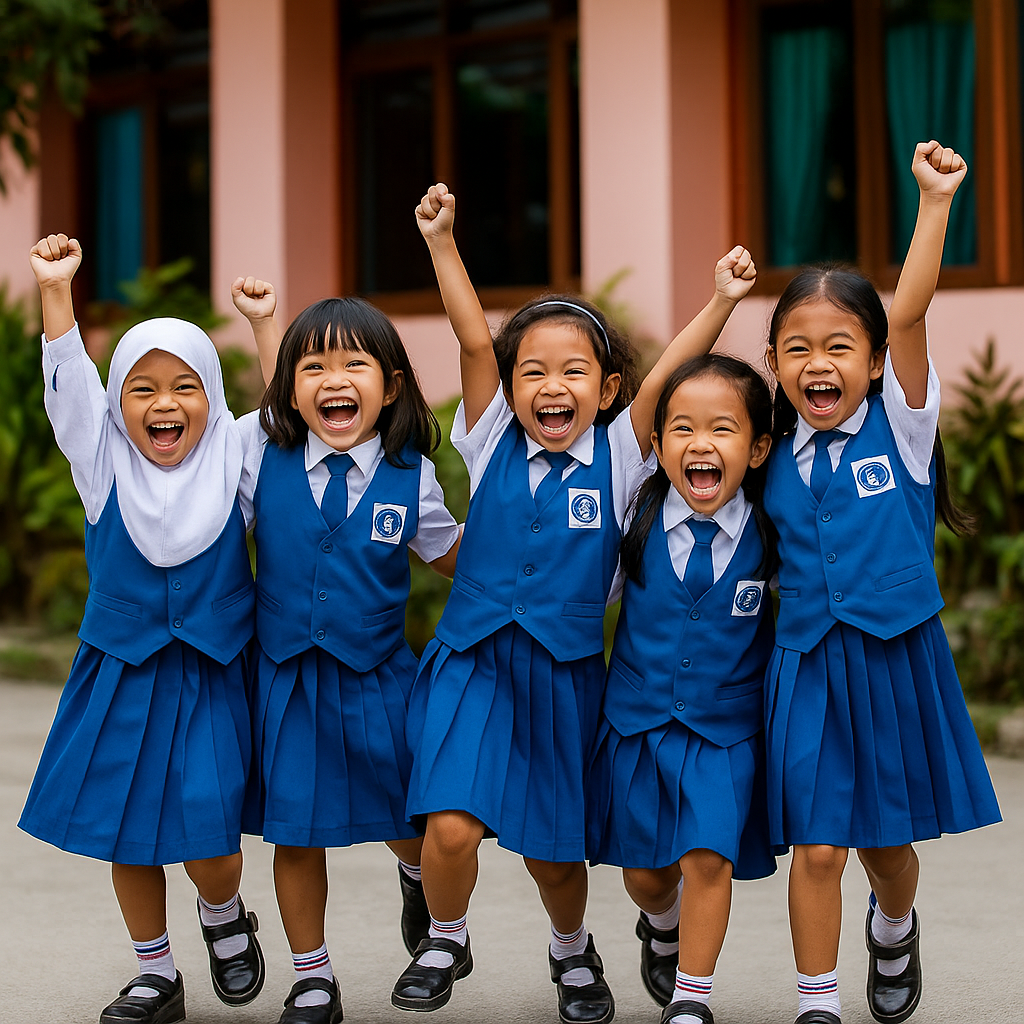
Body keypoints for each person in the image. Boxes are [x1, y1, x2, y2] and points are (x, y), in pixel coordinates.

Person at [391, 181, 756, 1024]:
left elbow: (669, 376)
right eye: (534, 372)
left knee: (556, 855)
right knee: (449, 825)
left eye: (573, 372)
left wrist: (723, 301)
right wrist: (442, 243)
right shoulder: (489, 441)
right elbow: (472, 340)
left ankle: (572, 950)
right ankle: (446, 936)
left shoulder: (622, 456)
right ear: (513, 388)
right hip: (471, 659)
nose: (551, 387)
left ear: (606, 388)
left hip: (562, 672)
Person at [762, 141, 1001, 1024]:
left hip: (896, 655)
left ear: (870, 362)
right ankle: (817, 1001)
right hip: (808, 663)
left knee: (886, 848)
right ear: (777, 364)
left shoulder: (901, 427)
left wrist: (934, 204)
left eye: (838, 346)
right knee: (816, 848)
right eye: (796, 348)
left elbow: (910, 316)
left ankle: (894, 926)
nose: (817, 363)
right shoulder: (764, 453)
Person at [19, 235, 264, 1024]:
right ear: (118, 402)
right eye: (143, 388)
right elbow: (68, 389)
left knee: (211, 839)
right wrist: (57, 290)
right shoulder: (103, 463)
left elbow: (294, 409)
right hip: (123, 669)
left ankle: (224, 914)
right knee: (128, 836)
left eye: (186, 386)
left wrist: (264, 325)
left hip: (213, 669)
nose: (164, 404)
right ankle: (154, 972)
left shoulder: (235, 454)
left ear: (214, 396)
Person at [231, 279, 461, 1024]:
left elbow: (456, 558)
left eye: (355, 366)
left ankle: (416, 882)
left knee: (411, 821)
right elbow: (280, 395)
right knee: (296, 835)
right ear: (293, 393)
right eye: (315, 370)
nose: (335, 382)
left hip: (380, 676)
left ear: (391, 386)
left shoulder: (410, 477)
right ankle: (312, 977)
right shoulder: (259, 457)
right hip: (287, 679)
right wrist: (267, 324)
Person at [588, 352, 777, 1024]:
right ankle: (661, 926)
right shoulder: (631, 519)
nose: (701, 444)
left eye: (723, 429)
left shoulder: (770, 530)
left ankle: (692, 999)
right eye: (682, 429)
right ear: (658, 444)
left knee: (708, 858)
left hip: (726, 730)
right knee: (645, 874)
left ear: (757, 450)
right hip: (638, 723)